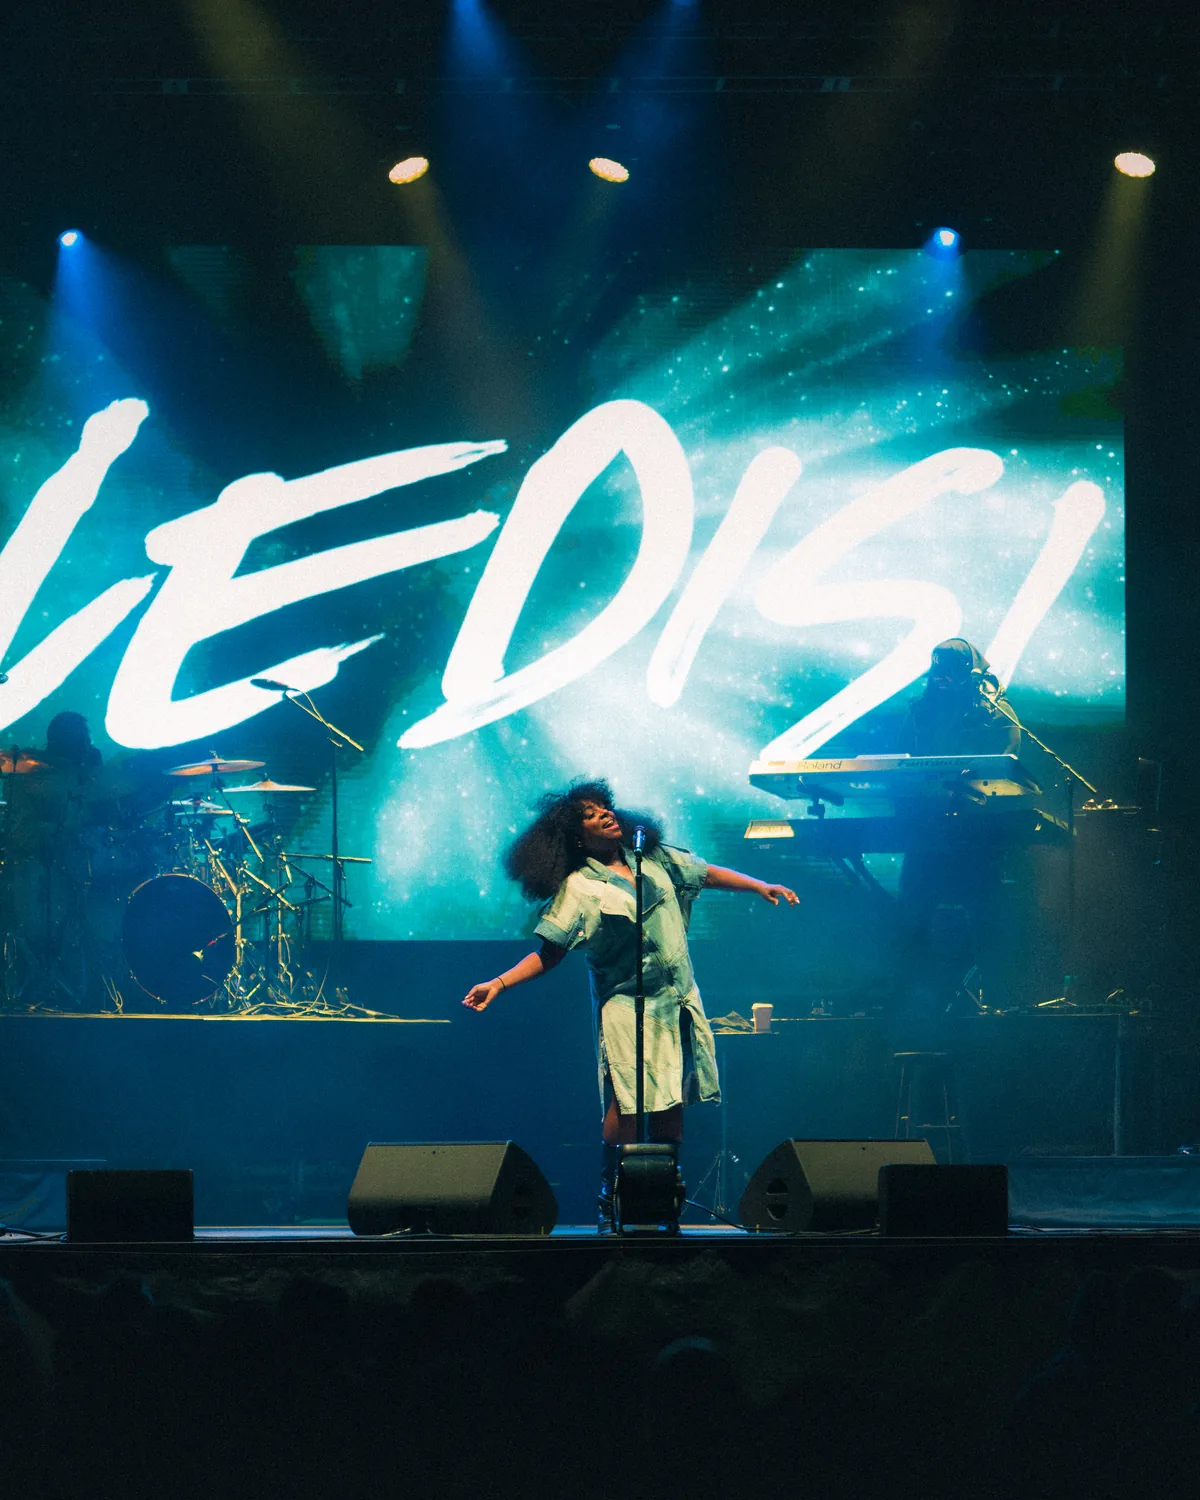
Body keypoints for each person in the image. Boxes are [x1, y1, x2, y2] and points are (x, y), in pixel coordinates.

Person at [463, 779, 798, 1232]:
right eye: (590, 813)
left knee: (670, 1102)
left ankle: (664, 1198)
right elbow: (550, 951)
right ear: (576, 835)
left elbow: (704, 873)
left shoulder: (653, 858)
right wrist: (499, 983)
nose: (604, 813)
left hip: (677, 999)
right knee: (628, 1100)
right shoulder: (579, 887)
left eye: (605, 806)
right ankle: (610, 1197)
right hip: (626, 1005)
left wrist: (759, 884)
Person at [895, 638, 1022, 1016]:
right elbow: (900, 764)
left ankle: (993, 999)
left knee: (985, 915)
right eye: (937, 670)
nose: (941, 678)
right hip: (928, 830)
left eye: (950, 671)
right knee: (912, 913)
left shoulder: (994, 712)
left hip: (975, 833)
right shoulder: (919, 711)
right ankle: (911, 1001)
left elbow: (1006, 761)